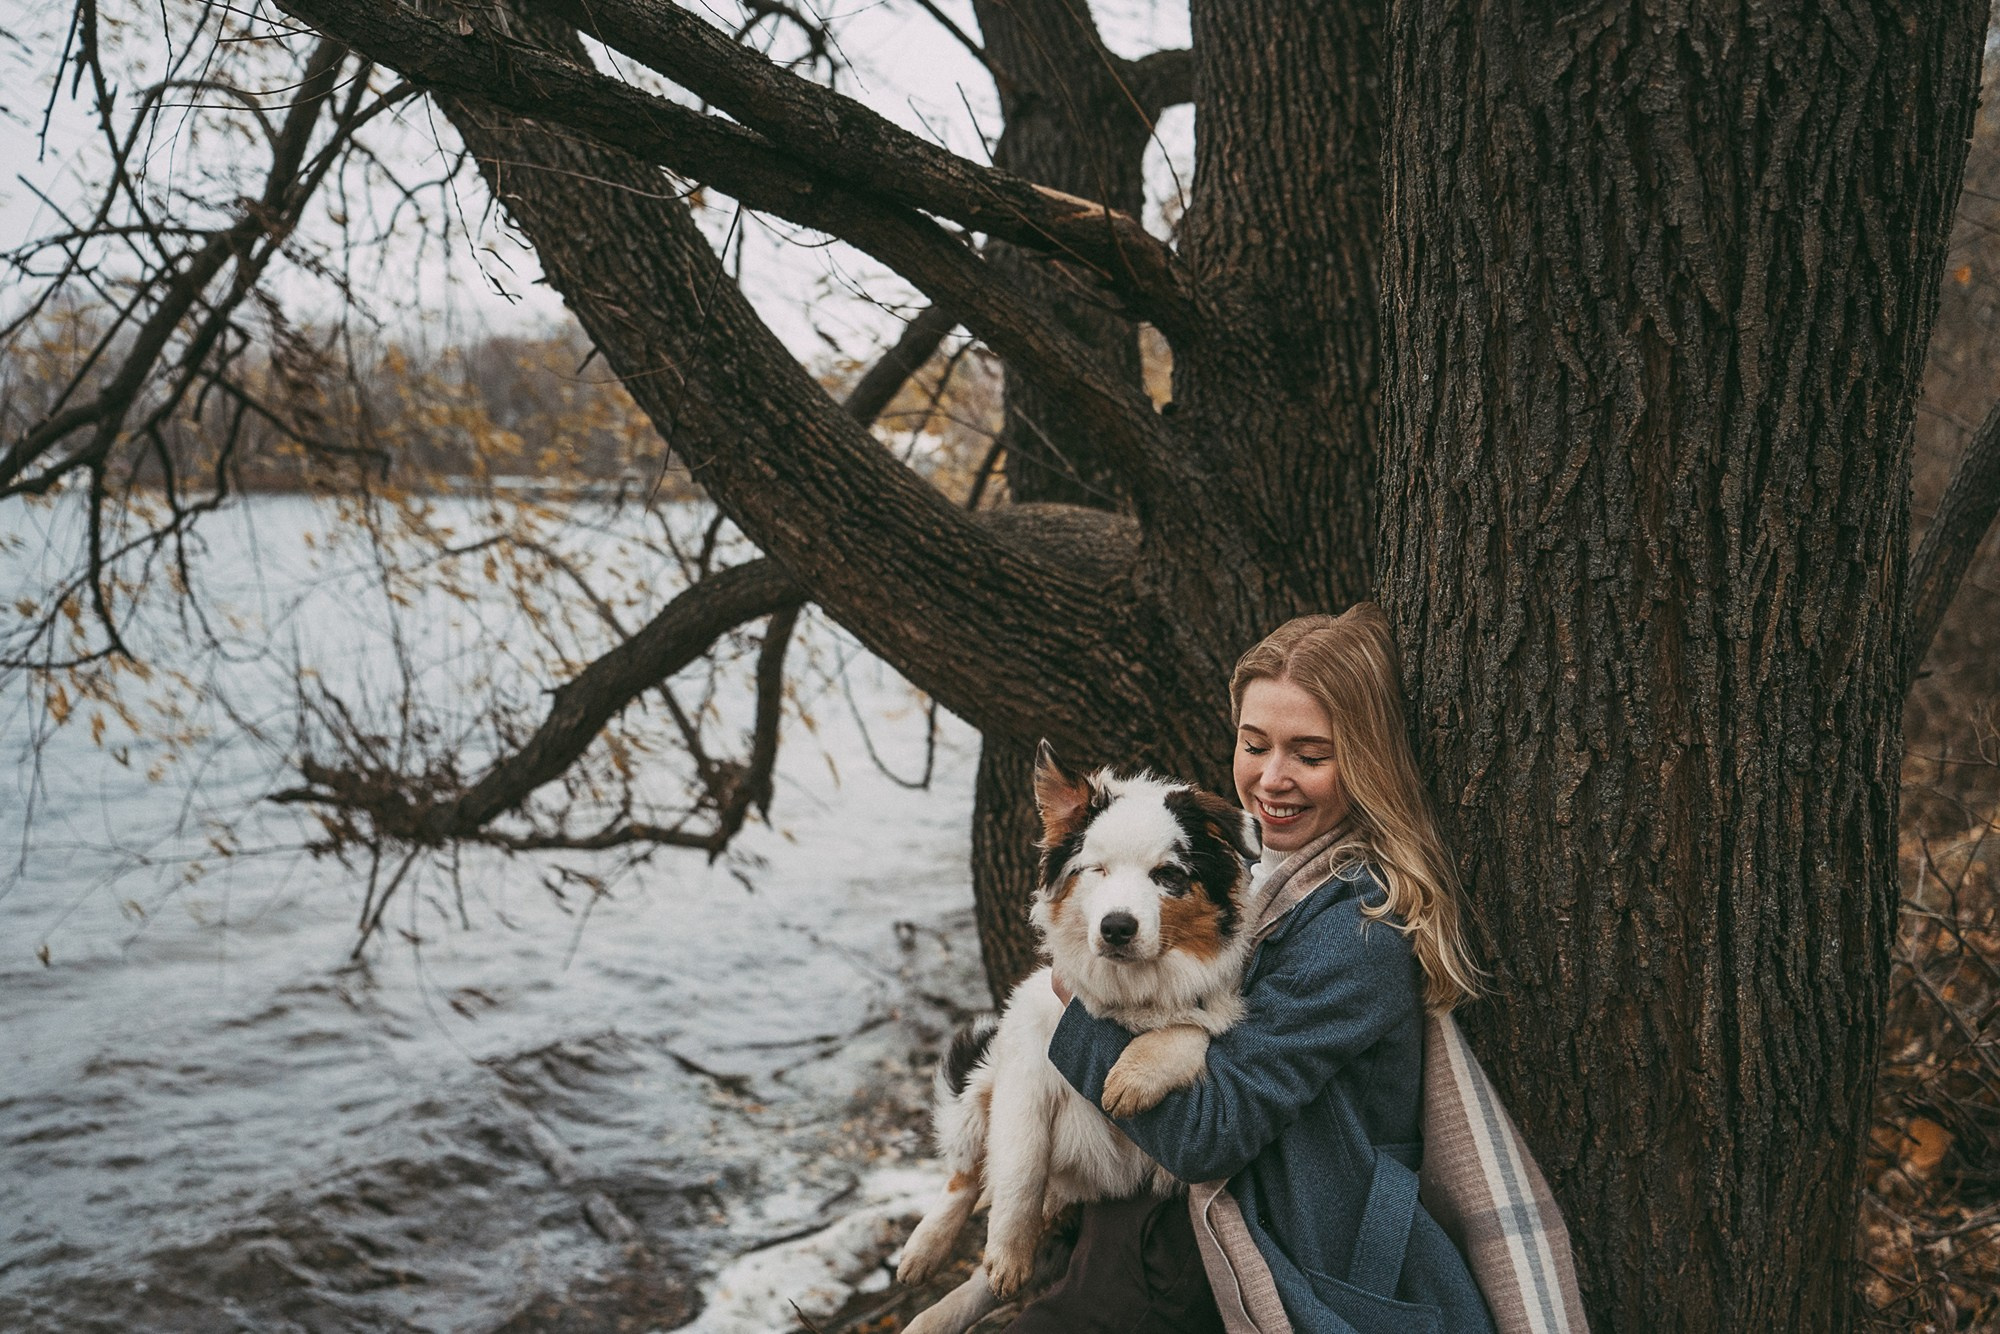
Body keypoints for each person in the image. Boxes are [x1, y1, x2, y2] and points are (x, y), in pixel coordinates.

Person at [1006, 605, 1497, 1334]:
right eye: (1253, 743)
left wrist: (1071, 999)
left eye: (1310, 753)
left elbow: (1210, 1134)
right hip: (1170, 1227)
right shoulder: (1255, 873)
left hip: (1276, 1254)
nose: (1272, 779)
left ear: (1367, 758)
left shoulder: (1357, 931)